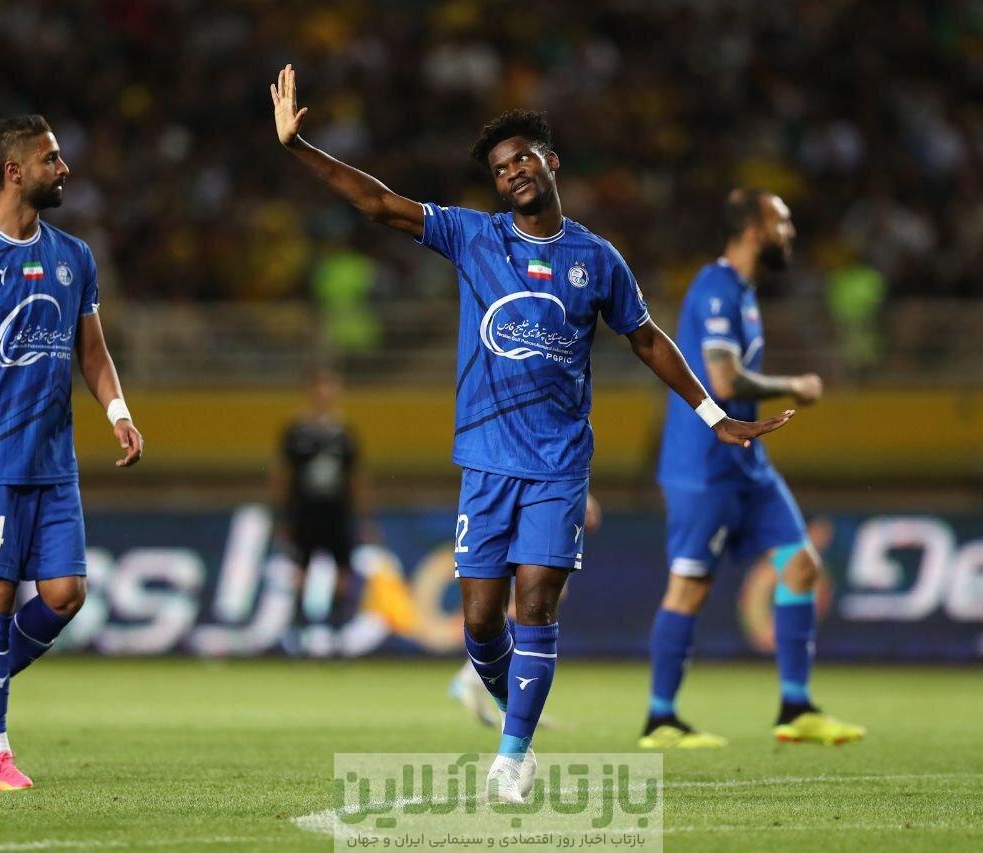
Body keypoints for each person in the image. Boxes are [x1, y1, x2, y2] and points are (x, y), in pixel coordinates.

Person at [270, 66, 792, 803]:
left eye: (522, 158)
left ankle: (513, 756)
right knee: (481, 622)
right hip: (486, 462)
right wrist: (300, 148)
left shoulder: (597, 259)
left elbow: (646, 339)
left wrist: (714, 414)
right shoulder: (473, 237)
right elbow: (379, 204)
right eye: (499, 168)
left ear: (551, 162)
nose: (512, 172)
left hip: (558, 464)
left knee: (536, 604)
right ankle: (514, 710)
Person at [0, 115, 143, 791]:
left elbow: (92, 352)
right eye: (52, 159)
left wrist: (120, 413)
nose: (64, 168)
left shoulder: (74, 257)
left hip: (53, 460)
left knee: (67, 594)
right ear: (14, 172)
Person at [642, 188, 864, 749]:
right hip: (704, 466)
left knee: (802, 567)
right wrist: (793, 385)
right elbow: (723, 379)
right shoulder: (715, 288)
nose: (790, 232)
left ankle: (796, 707)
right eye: (780, 222)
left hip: (748, 463)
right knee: (689, 588)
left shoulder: (741, 292)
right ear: (751, 230)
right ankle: (660, 719)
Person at [449, 493, 601, 728]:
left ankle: (483, 683)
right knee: (522, 607)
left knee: (528, 607)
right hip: (532, 529)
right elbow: (590, 515)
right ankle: (483, 682)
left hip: (542, 524)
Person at [272, 366, 366, 649]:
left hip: (337, 512)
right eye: (320, 389)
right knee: (300, 569)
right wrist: (281, 515)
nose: (325, 395)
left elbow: (356, 477)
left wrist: (363, 516)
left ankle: (337, 634)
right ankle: (299, 634)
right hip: (304, 511)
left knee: (342, 571)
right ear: (309, 392)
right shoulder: (295, 431)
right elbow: (282, 475)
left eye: (330, 389)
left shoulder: (345, 433)